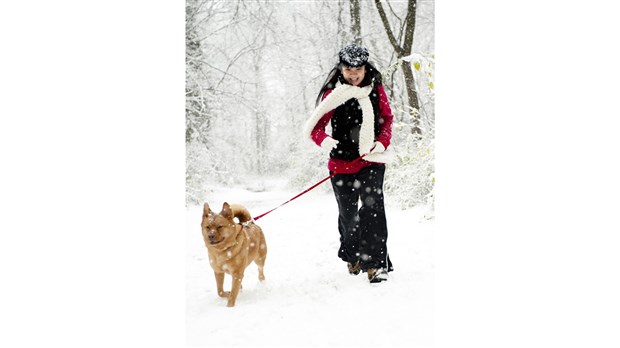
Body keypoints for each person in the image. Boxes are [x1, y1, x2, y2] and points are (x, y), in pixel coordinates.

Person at [303, 44, 394, 283]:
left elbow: (387, 121)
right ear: (341, 69)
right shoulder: (332, 93)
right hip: (341, 164)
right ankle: (353, 255)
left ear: (365, 69)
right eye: (348, 70)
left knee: (373, 211)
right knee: (349, 215)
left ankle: (376, 263)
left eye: (358, 70)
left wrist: (382, 143)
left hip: (371, 160)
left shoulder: (375, 90)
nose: (354, 75)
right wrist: (325, 142)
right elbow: (315, 127)